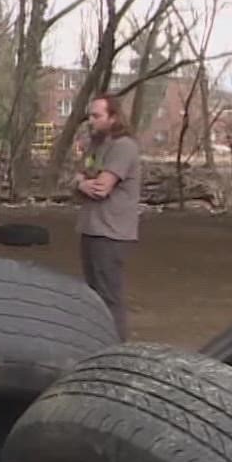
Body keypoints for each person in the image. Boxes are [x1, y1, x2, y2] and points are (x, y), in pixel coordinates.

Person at [74, 93, 141, 338]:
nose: (90, 121)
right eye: (89, 115)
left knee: (109, 296)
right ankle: (98, 341)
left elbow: (101, 188)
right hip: (90, 228)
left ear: (113, 117)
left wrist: (83, 182)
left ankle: (116, 346)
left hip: (112, 233)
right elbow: (77, 177)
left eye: (96, 116)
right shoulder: (95, 144)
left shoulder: (123, 146)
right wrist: (81, 183)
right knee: (93, 295)